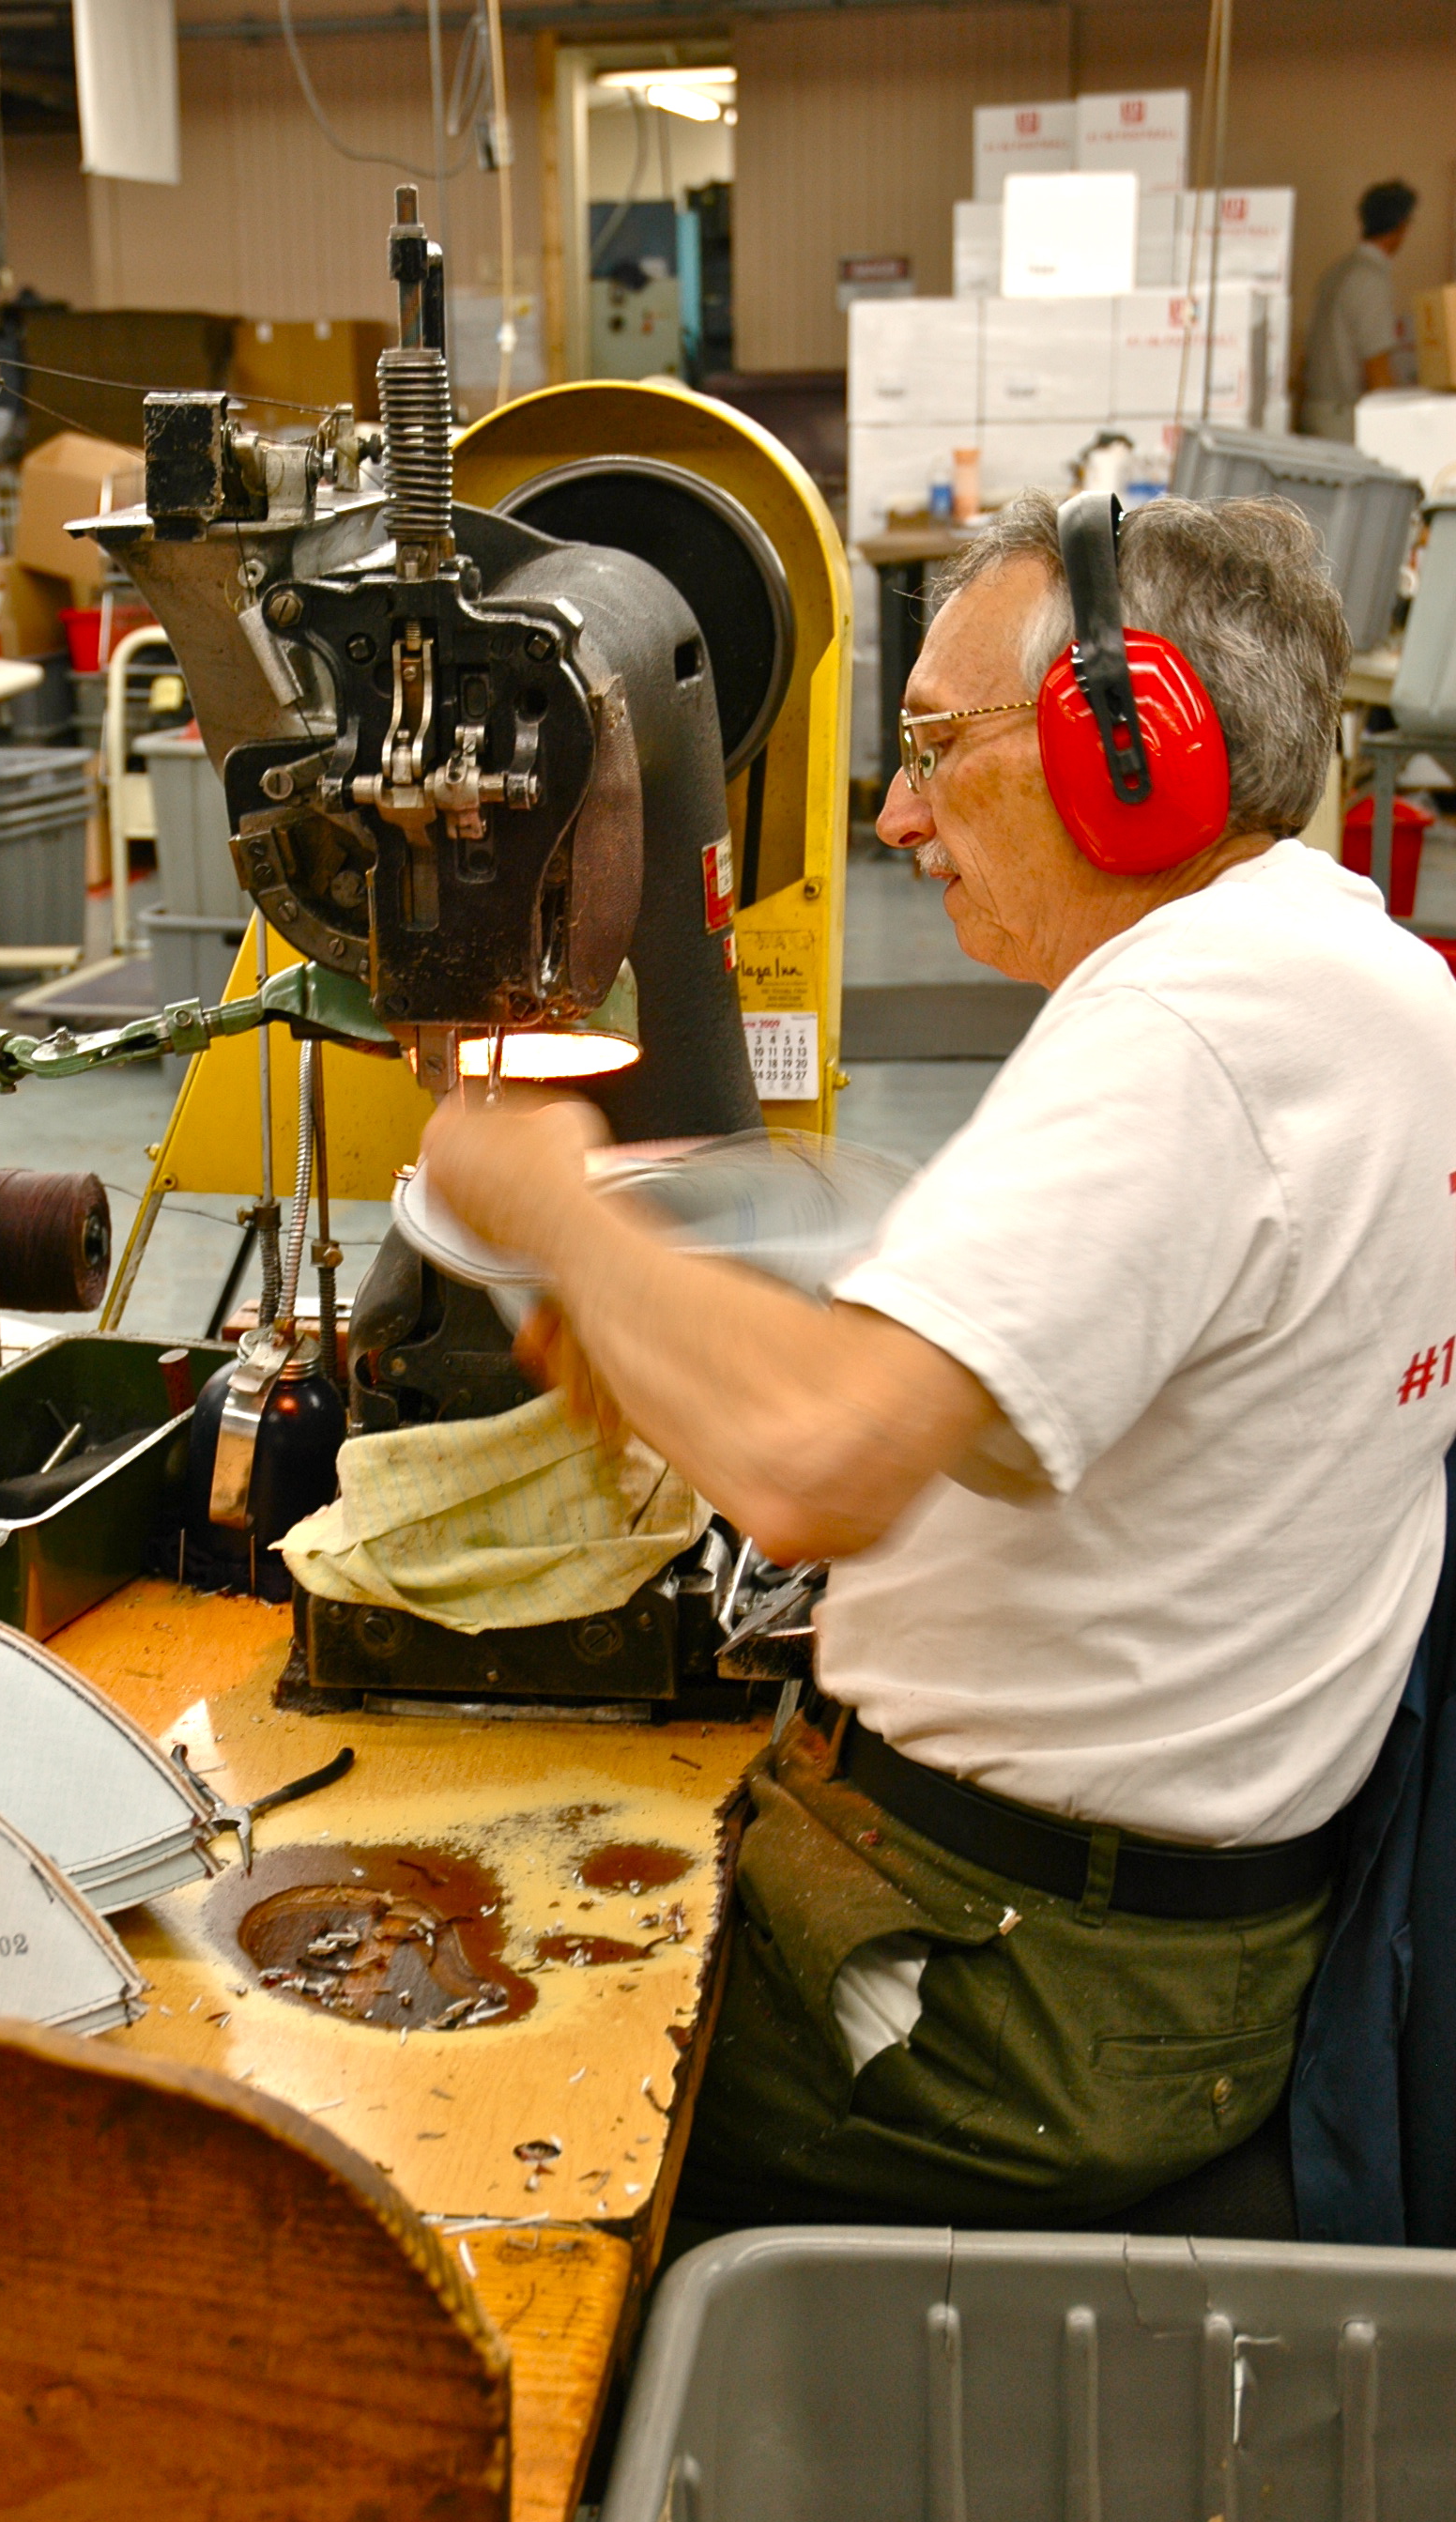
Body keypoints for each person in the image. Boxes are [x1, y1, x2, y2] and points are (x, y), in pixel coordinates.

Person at [419, 490, 1456, 2230]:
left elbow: (818, 1465)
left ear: (1141, 752)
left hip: (1009, 1995)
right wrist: (684, 1336)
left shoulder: (1189, 1030)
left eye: (936, 746)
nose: (896, 815)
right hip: (1160, 1940)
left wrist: (551, 1202)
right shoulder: (1368, 977)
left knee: (465, 2095)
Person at [1302, 179, 1418, 444]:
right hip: (1343, 421)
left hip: (1318, 412)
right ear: (1401, 226)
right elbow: (1377, 370)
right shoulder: (1370, 279)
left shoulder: (1338, 272)